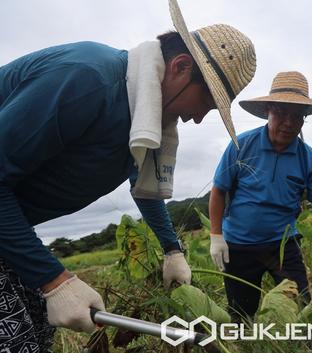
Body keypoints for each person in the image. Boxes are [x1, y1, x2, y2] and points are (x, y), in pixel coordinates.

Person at [0, 0, 256, 350]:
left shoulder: (144, 118)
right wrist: (53, 280)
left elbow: (143, 185)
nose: (197, 118)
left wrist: (171, 250)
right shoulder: (87, 79)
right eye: (207, 104)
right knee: (16, 340)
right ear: (181, 67)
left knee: (38, 329)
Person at [208, 71, 312, 322]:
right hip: (239, 245)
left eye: (297, 116)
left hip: (282, 246)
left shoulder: (308, 159)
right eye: (282, 113)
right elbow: (218, 190)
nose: (289, 122)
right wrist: (216, 235)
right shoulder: (242, 146)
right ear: (268, 111)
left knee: (304, 311)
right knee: (242, 315)